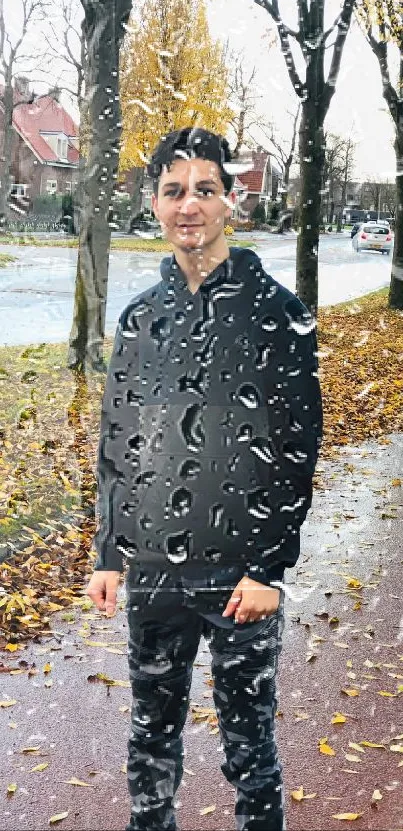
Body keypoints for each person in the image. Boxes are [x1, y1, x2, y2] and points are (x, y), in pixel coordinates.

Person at [86, 127, 323, 831]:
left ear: (231, 202)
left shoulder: (276, 313)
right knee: (150, 736)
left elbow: (295, 446)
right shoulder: (139, 319)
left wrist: (267, 567)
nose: (188, 204)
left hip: (238, 575)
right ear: (153, 203)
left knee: (248, 745)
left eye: (205, 189)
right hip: (154, 571)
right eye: (173, 190)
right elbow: (118, 440)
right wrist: (108, 549)